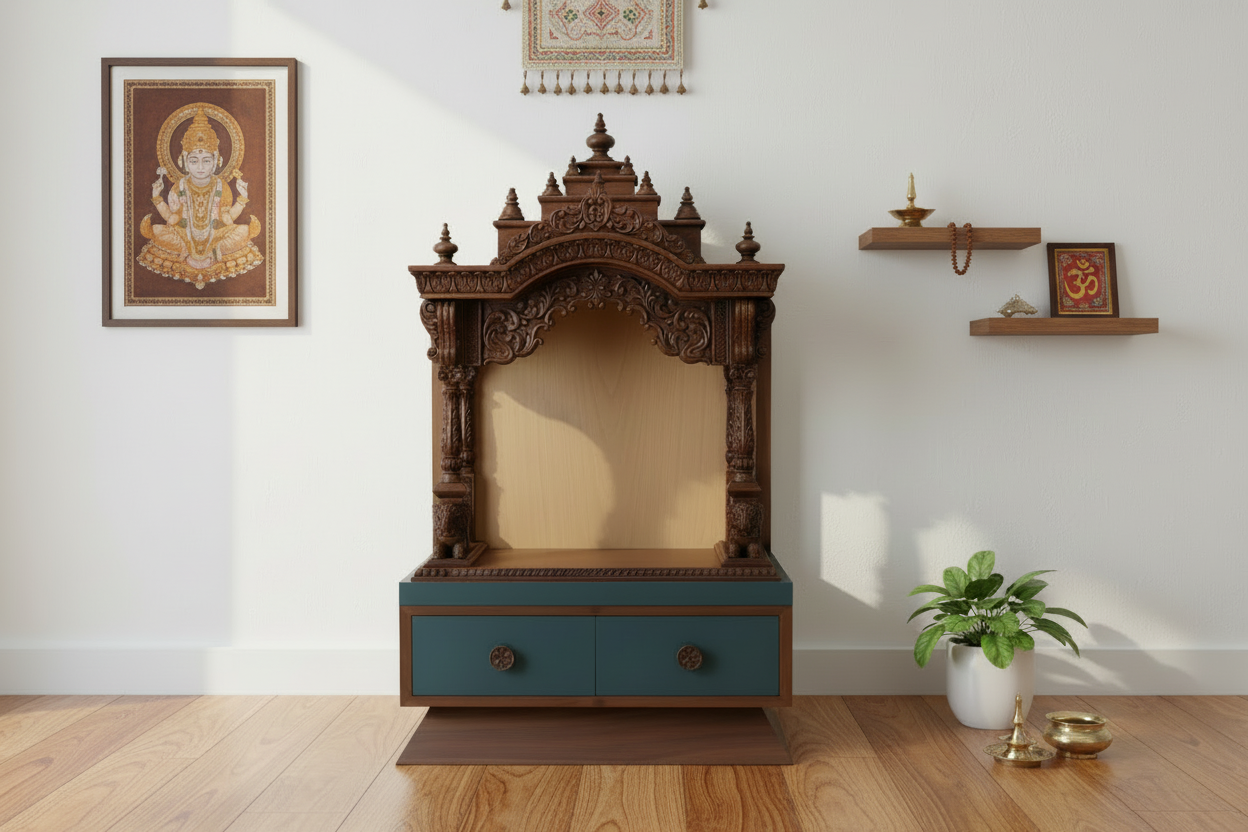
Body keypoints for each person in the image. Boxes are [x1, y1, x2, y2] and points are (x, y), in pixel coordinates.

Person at [138, 108, 262, 289]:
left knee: (242, 232)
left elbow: (227, 219)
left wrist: (242, 199)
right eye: (194, 161)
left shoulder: (221, 186)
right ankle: (187, 250)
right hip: (184, 234)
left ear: (216, 160)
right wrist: (157, 198)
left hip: (216, 234)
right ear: (184, 161)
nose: (200, 167)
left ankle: (213, 251)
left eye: (206, 160)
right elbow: (172, 219)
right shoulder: (180, 186)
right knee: (158, 231)